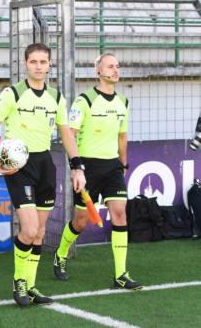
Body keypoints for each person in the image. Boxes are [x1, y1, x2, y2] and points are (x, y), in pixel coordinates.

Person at [0, 43, 86, 307]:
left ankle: (31, 286)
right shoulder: (12, 94)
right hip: (19, 166)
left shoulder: (56, 97)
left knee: (39, 232)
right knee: (28, 229)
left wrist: (77, 166)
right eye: (34, 62)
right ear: (25, 64)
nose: (39, 66)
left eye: (43, 62)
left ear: (49, 65)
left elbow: (66, 135)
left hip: (45, 164)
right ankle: (19, 281)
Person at [53, 53, 142, 290]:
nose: (116, 70)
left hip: (113, 166)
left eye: (118, 66)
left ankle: (121, 274)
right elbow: (69, 135)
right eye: (110, 66)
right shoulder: (84, 101)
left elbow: (122, 137)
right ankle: (60, 255)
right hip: (88, 168)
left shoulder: (123, 102)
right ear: (98, 71)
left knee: (120, 214)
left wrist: (123, 164)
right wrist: (75, 167)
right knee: (81, 221)